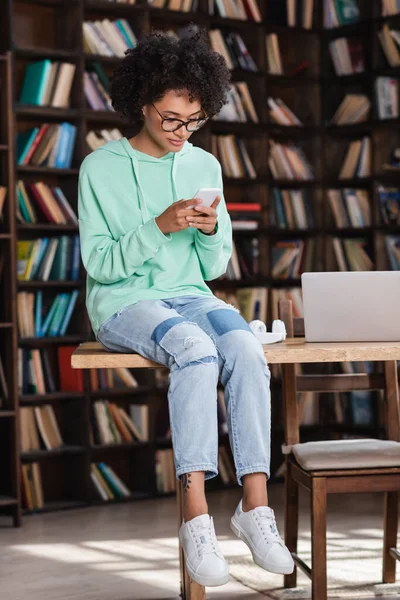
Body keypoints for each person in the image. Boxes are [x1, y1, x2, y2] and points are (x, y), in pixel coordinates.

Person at [78, 28, 294, 588]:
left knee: (246, 346)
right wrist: (158, 228)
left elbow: (213, 267)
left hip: (191, 294)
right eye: (171, 118)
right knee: (195, 351)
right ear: (141, 103)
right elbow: (101, 264)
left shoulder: (204, 165)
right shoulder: (100, 168)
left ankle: (254, 507)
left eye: (193, 119)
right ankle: (195, 517)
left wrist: (210, 227)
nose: (181, 132)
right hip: (124, 301)